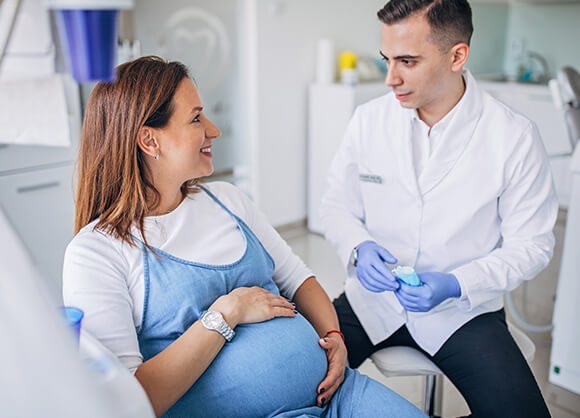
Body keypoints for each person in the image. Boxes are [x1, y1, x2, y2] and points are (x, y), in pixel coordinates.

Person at [62, 56, 425, 418]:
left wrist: (336, 339)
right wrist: (227, 311)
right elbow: (124, 402)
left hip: (339, 396)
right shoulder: (97, 253)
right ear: (149, 140)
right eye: (196, 118)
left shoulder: (228, 200)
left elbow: (299, 280)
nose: (214, 129)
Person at [319, 1, 557, 417]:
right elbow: (336, 205)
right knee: (293, 382)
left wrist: (457, 284)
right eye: (387, 59)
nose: (390, 78)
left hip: (463, 311)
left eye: (407, 61)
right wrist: (359, 247)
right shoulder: (368, 120)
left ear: (457, 56)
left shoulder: (513, 136)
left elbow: (533, 246)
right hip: (369, 303)